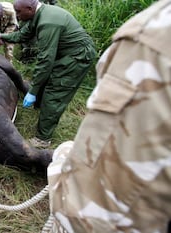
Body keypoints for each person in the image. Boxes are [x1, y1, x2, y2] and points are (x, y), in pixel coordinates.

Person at [47, 0, 171, 232]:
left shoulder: (155, 41)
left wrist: (61, 159)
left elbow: (91, 215)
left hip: (75, 57)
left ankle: (43, 136)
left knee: (55, 95)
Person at [0, 0, 96, 148]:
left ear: (30, 8)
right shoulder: (37, 15)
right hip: (65, 53)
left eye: (19, 12)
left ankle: (43, 139)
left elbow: (46, 60)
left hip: (77, 57)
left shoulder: (47, 23)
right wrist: (1, 35)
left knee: (55, 92)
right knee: (44, 81)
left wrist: (33, 91)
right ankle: (41, 107)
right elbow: (22, 35)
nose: (17, 16)